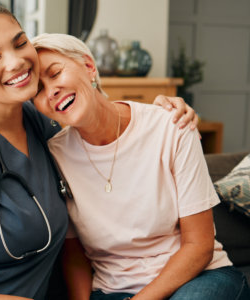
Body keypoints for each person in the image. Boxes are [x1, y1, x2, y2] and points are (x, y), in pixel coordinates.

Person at [0, 3, 197, 300]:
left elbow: (99, 120)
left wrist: (159, 114)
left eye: (19, 43)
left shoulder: (40, 121)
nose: (16, 61)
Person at [31, 33, 250, 300]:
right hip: (112, 290)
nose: (51, 90)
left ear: (89, 67)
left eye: (55, 73)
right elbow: (74, 255)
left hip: (199, 279)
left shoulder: (172, 127)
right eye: (38, 91)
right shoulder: (54, 156)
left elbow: (199, 246)